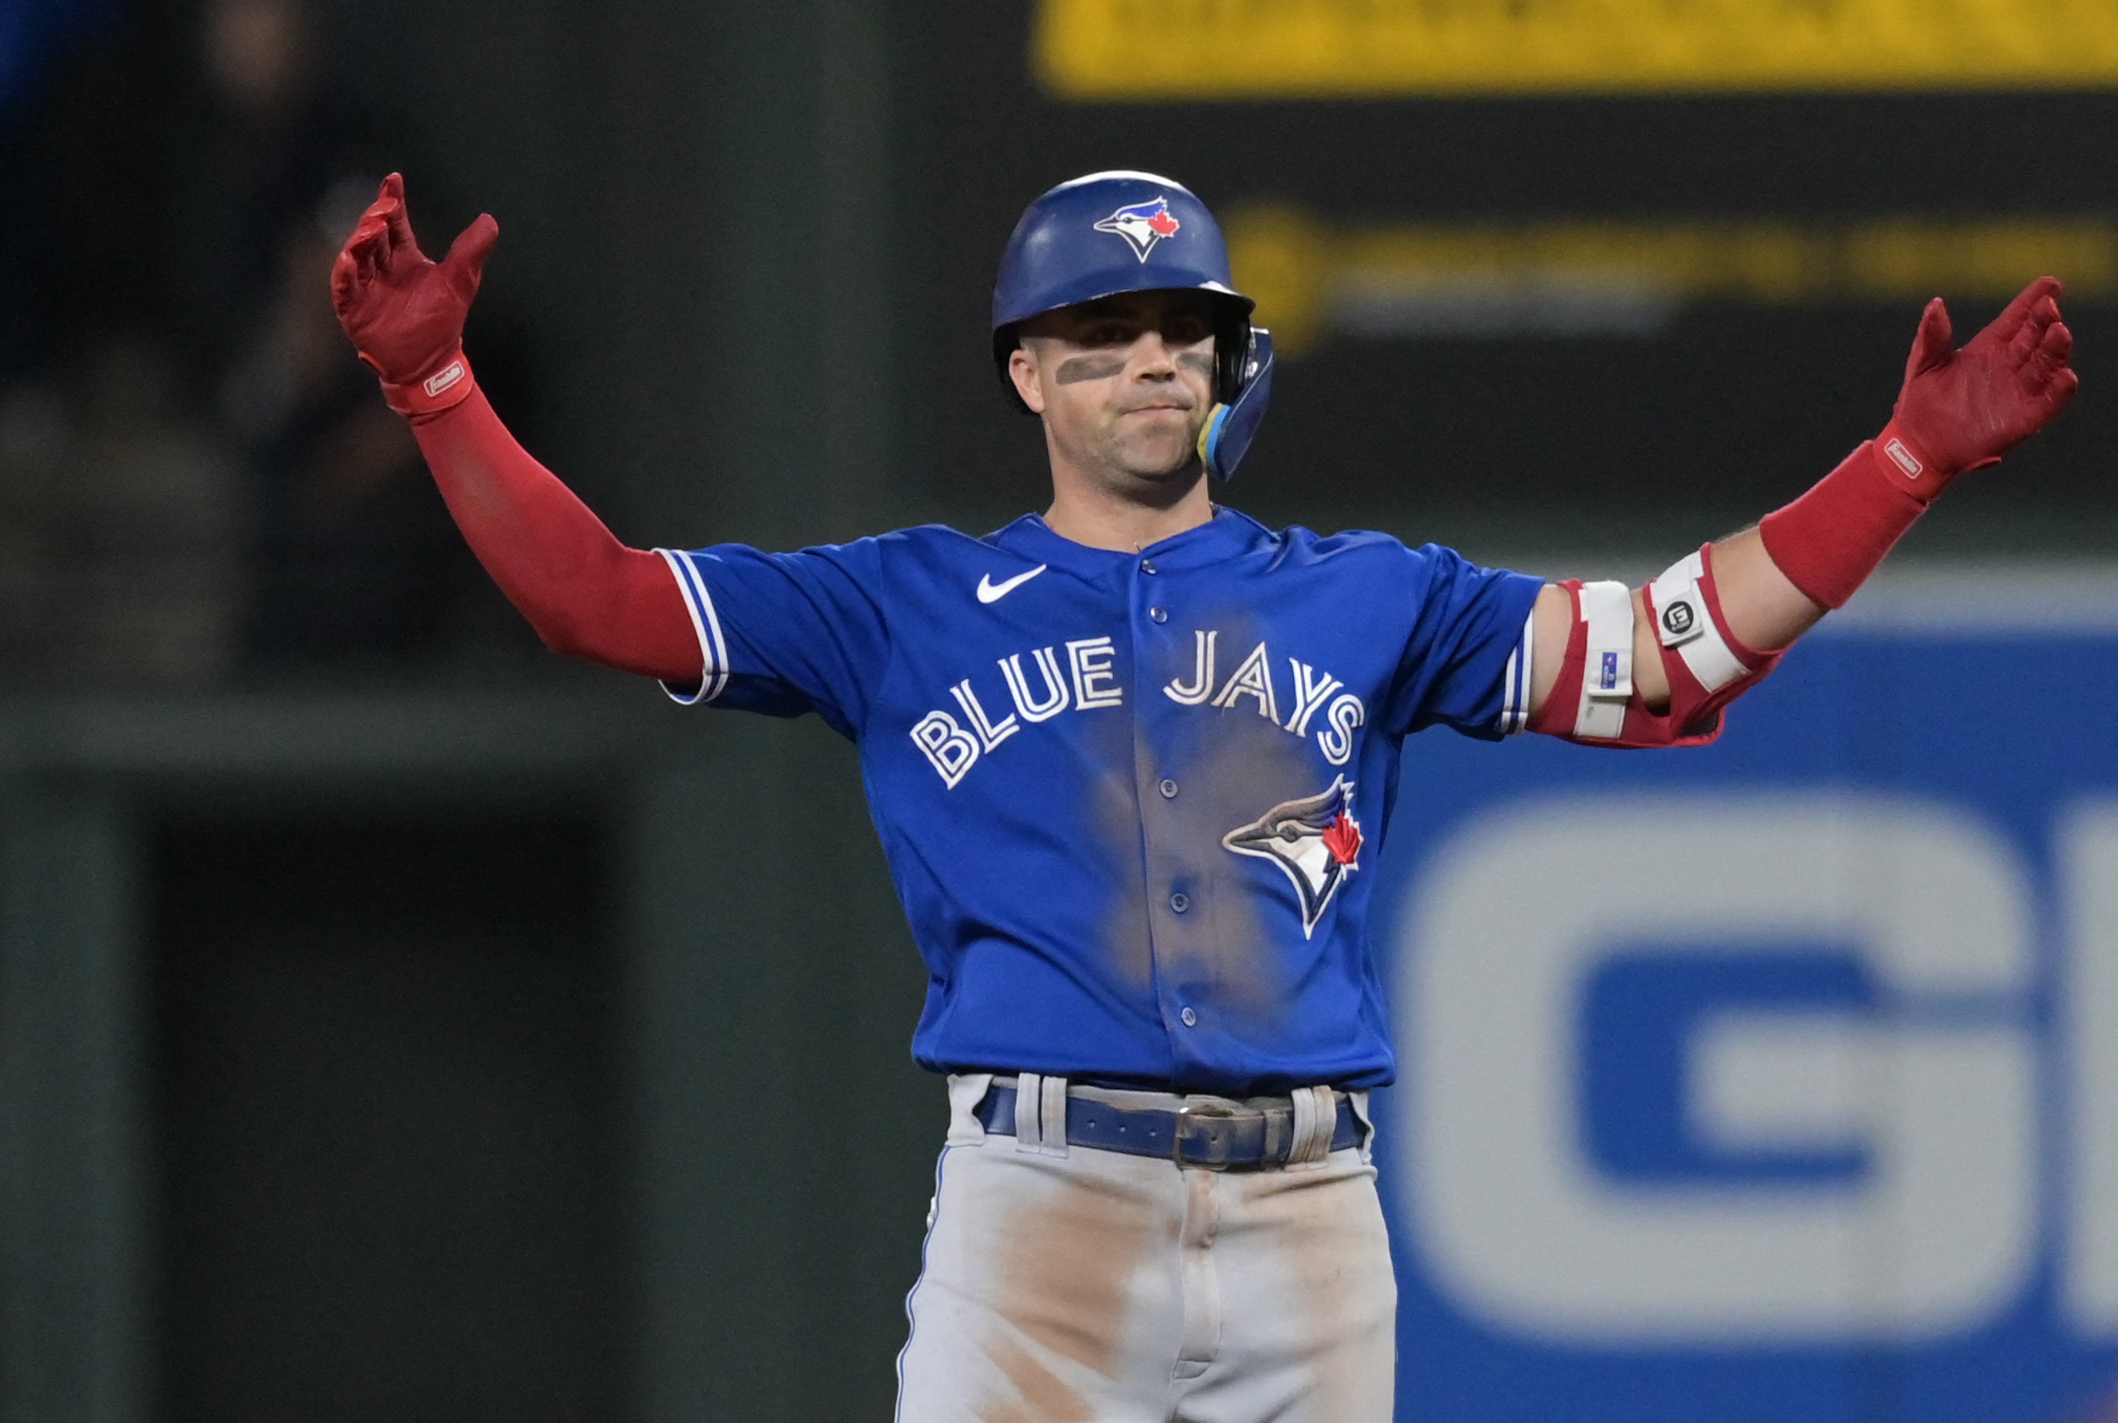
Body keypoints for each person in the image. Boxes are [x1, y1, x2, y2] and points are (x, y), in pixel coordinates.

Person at [329, 169, 2075, 1421]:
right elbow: (597, 601)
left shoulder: (1370, 594)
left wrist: (1901, 463)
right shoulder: (907, 603)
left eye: (1181, 330)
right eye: (1100, 335)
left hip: (1309, 1214)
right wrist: (437, 389)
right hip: (1043, 1204)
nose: (1149, 362)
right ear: (1026, 373)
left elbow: (1666, 651)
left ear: (1227, 364)